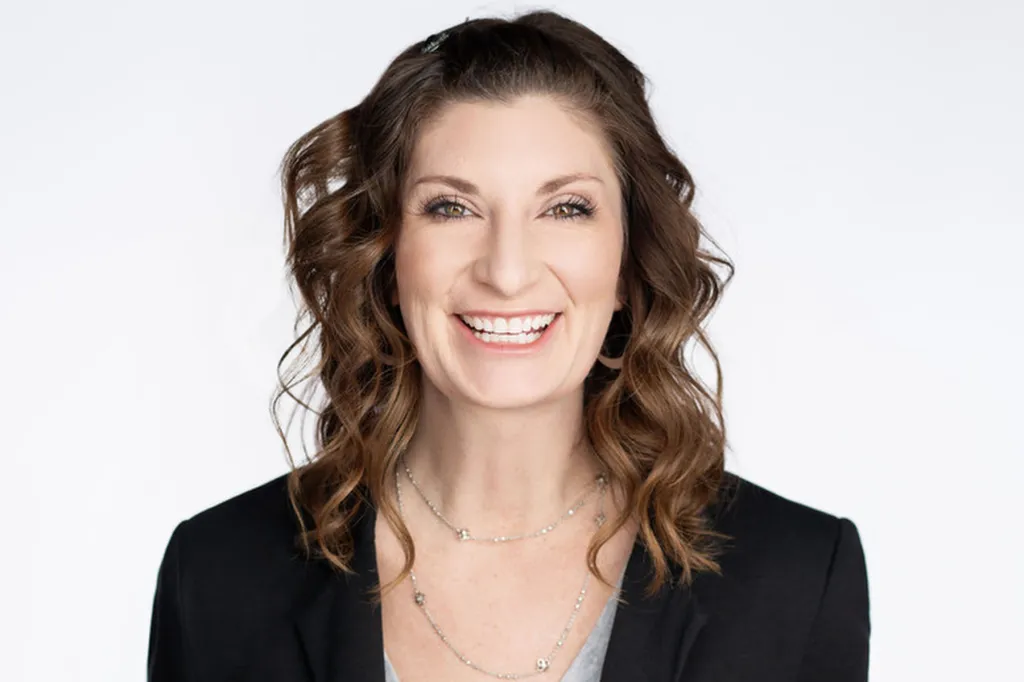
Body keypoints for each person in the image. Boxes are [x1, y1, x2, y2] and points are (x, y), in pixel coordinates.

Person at [147, 10, 870, 682]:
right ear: (387, 256)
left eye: (566, 208)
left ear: (627, 261)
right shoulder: (215, 579)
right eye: (451, 207)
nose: (507, 269)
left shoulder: (799, 580)